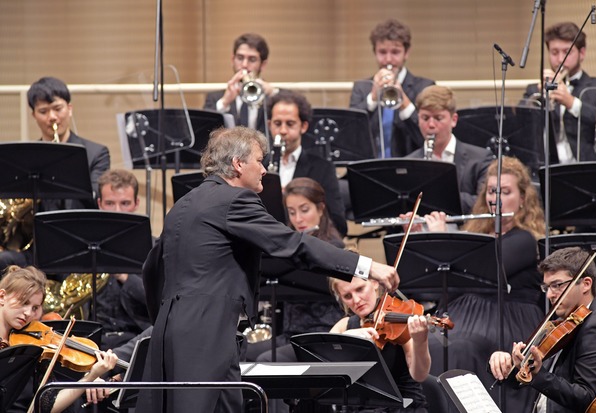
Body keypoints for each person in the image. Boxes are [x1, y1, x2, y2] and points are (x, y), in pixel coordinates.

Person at [136, 126, 399, 413]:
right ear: (238, 164)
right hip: (206, 331)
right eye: (259, 161)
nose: (264, 169)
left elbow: (152, 268)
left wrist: (167, 316)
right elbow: (292, 244)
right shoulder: (235, 200)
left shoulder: (183, 204)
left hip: (170, 330)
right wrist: (366, 266)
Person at [403, 156, 546, 411]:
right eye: (492, 191)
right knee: (428, 343)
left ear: (523, 199)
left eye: (505, 191)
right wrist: (419, 242)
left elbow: (487, 267)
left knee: (460, 346)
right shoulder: (474, 235)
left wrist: (440, 237)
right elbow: (439, 283)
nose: (496, 198)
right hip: (461, 313)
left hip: (505, 316)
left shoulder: (525, 239)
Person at [489, 247, 596, 413]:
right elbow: (518, 380)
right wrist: (504, 362)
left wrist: (539, 375)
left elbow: (587, 398)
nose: (550, 295)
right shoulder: (564, 324)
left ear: (586, 284)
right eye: (547, 287)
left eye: (557, 285)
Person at [0, 76, 110, 271]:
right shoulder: (25, 159)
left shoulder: (95, 153)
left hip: (79, 243)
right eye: (43, 111)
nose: (52, 117)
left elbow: (96, 200)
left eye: (57, 109)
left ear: (70, 108)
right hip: (36, 246)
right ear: (33, 114)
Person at [247, 177, 345, 363]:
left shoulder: (334, 249)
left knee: (266, 359)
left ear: (321, 209)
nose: (298, 219)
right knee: (241, 352)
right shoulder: (290, 246)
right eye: (291, 212)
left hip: (322, 333)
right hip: (291, 334)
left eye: (304, 210)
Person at [0, 265, 118, 413]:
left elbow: (48, 406)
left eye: (35, 308)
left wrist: (90, 376)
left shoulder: (33, 346)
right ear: (2, 296)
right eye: (24, 303)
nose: (28, 313)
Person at [328, 275, 430, 412]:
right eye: (347, 296)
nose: (356, 300)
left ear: (375, 283)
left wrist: (420, 341)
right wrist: (345, 340)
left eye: (360, 289)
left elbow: (420, 375)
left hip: (403, 408)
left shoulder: (399, 321)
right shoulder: (343, 326)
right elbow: (323, 371)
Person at [523, 22, 596, 162]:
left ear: (582, 53)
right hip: (544, 170)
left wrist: (572, 103)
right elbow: (520, 127)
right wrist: (541, 99)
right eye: (554, 52)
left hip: (586, 169)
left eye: (567, 52)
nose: (560, 60)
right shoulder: (534, 89)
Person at [350, 19, 435, 158]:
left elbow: (427, 136)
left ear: (406, 53)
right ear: (375, 53)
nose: (388, 59)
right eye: (382, 52)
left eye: (395, 52)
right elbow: (351, 132)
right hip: (370, 167)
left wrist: (404, 102)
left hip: (410, 166)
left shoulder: (424, 87)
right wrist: (372, 98)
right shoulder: (362, 87)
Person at [267, 89, 348, 236]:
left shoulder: (322, 168)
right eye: (277, 123)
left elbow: (339, 223)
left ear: (303, 126)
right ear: (269, 125)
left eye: (290, 124)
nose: (283, 131)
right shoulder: (259, 166)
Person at [406, 85, 493, 214]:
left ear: (453, 120)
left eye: (438, 118)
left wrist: (438, 194)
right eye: (425, 118)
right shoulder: (408, 163)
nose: (430, 125)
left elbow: (484, 203)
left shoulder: (481, 159)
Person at [95, 169, 150, 350]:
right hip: (91, 340)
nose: (118, 211)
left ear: (136, 203)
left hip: (136, 340)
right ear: (100, 204)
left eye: (125, 203)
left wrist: (124, 276)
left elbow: (162, 299)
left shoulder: (154, 247)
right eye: (110, 203)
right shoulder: (86, 246)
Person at [204, 33, 277, 133]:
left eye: (252, 59)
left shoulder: (273, 96)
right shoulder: (215, 98)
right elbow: (204, 129)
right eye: (240, 58)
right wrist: (224, 102)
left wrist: (274, 95)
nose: (244, 65)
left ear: (263, 64)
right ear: (232, 60)